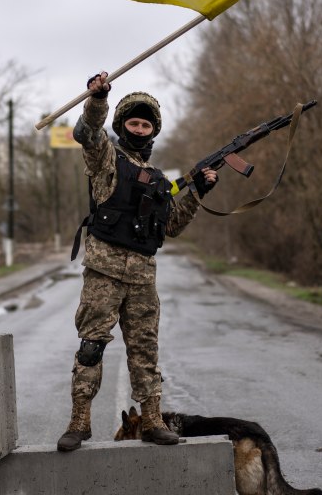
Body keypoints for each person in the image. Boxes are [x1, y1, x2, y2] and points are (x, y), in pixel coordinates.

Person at [57, 71, 218, 452]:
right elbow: (87, 135)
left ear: (154, 131)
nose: (141, 129)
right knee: (92, 346)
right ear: (122, 125)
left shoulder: (161, 180)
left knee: (145, 351)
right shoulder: (105, 159)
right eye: (134, 122)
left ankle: (151, 420)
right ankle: (79, 421)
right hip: (104, 272)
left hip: (143, 277)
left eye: (147, 124)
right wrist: (98, 99)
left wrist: (198, 191)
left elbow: (173, 226)